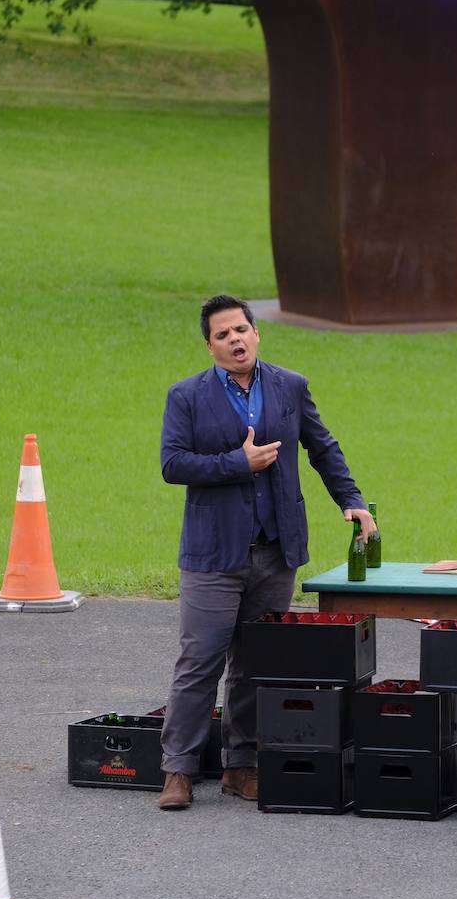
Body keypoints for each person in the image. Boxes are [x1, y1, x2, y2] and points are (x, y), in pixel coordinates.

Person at [157, 294, 374, 811]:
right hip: (214, 555)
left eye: (241, 330)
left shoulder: (289, 387)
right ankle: (178, 770)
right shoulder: (186, 396)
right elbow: (173, 464)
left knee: (255, 664)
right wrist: (239, 462)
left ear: (257, 333)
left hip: (276, 552)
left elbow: (322, 448)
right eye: (222, 334)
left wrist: (351, 500)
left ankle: (241, 766)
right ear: (209, 346)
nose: (234, 340)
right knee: (200, 662)